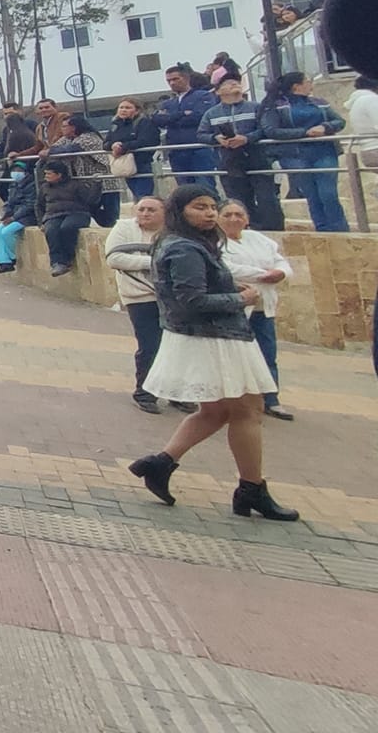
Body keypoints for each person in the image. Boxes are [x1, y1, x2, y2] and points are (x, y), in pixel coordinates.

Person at [127, 185, 297, 522]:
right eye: (199, 207)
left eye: (211, 207)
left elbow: (199, 287)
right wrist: (241, 299)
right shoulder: (184, 247)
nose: (209, 213)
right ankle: (251, 488)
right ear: (181, 211)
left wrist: (231, 288)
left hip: (215, 337)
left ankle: (160, 464)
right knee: (248, 409)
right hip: (213, 338)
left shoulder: (190, 243)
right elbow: (191, 301)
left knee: (216, 412)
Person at [104, 197, 196, 415]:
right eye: (142, 209)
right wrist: (158, 262)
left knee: (178, 346)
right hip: (140, 297)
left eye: (152, 210)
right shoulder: (124, 228)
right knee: (150, 346)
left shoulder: (175, 233)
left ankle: (177, 394)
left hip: (174, 299)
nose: (145, 214)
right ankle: (145, 393)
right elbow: (114, 258)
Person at [218, 200, 296, 422]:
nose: (234, 219)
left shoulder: (259, 240)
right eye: (228, 215)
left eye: (238, 214)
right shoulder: (213, 243)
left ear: (247, 218)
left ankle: (271, 399)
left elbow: (281, 263)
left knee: (267, 353)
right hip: (236, 307)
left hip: (263, 307)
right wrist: (263, 275)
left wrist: (280, 273)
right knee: (235, 356)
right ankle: (233, 401)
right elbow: (227, 269)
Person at [261, 72, 347, 232]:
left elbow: (339, 121)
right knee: (312, 195)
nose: (311, 84)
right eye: (308, 81)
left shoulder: (319, 102)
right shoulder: (276, 105)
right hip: (295, 155)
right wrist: (304, 132)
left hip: (324, 151)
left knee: (328, 194)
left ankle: (340, 229)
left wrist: (326, 127)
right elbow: (271, 130)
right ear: (297, 86)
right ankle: (322, 229)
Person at [198, 76, 285, 232]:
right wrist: (216, 138)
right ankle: (246, 230)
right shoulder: (211, 113)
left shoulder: (255, 107)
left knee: (267, 198)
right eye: (229, 83)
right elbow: (201, 134)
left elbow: (265, 129)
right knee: (238, 199)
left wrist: (247, 138)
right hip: (229, 161)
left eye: (236, 83)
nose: (234, 84)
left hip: (258, 159)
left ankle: (274, 231)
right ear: (218, 91)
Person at [150, 66, 219, 188]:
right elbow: (157, 120)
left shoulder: (203, 96)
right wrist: (182, 114)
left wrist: (170, 118)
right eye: (169, 80)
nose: (172, 83)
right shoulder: (168, 103)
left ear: (186, 78)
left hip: (199, 148)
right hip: (176, 151)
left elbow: (201, 116)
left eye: (176, 79)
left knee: (206, 186)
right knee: (184, 189)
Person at [36, 158, 100, 277]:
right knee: (51, 230)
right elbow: (39, 206)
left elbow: (90, 200)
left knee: (68, 227)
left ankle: (67, 259)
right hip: (53, 215)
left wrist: (96, 185)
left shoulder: (75, 185)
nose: (46, 176)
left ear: (59, 174)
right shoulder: (44, 187)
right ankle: (57, 262)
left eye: (49, 174)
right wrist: (41, 222)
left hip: (77, 213)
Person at [55, 114, 122, 226]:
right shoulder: (66, 139)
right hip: (87, 185)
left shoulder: (89, 137)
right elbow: (54, 148)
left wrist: (51, 152)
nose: (62, 129)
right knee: (88, 208)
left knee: (111, 216)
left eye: (65, 126)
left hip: (106, 183)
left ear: (74, 127)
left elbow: (69, 149)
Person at [106, 97, 159, 201]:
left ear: (137, 110)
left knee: (144, 195)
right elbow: (106, 142)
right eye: (121, 107)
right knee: (135, 194)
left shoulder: (144, 122)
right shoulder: (115, 124)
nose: (123, 110)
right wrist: (113, 146)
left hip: (141, 164)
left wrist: (123, 147)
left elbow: (146, 141)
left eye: (128, 107)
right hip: (126, 165)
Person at [0, 160, 38, 274]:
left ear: (25, 172)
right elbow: (9, 202)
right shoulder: (13, 185)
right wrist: (6, 213)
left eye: (19, 170)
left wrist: (13, 217)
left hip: (27, 217)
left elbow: (29, 205)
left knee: (7, 232)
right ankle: (4, 262)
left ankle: (12, 257)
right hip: (14, 215)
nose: (16, 173)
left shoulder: (32, 185)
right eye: (14, 170)